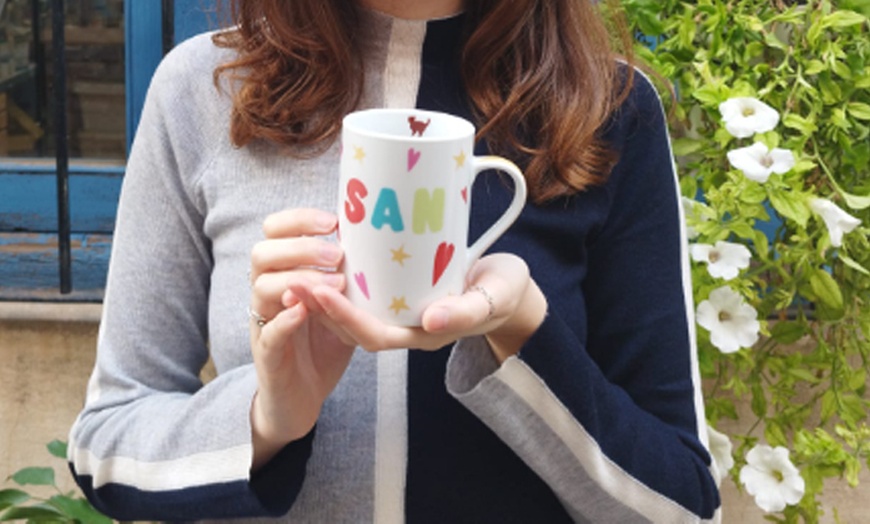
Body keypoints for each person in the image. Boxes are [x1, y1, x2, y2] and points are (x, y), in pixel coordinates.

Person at [67, 0, 722, 522]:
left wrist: (521, 333)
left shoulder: (607, 106)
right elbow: (106, 447)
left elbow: (681, 504)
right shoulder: (202, 89)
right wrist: (269, 419)